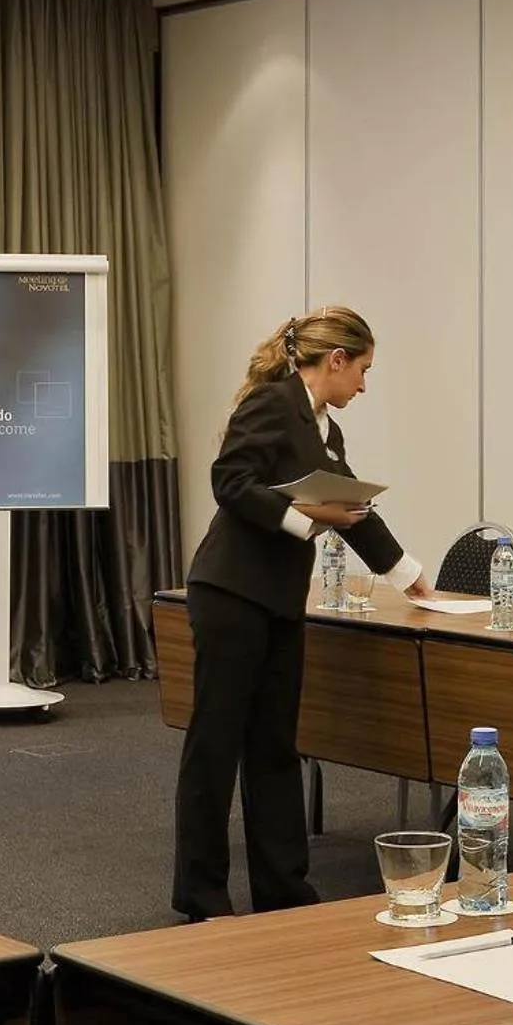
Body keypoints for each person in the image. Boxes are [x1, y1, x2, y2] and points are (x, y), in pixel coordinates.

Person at [172, 305, 431, 921]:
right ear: (335, 360)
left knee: (275, 747)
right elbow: (230, 482)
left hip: (280, 601)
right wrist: (304, 520)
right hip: (231, 594)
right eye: (362, 370)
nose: (364, 385)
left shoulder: (327, 431)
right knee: (216, 747)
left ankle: (283, 891)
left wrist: (411, 577)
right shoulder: (271, 402)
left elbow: (353, 509)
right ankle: (201, 895)